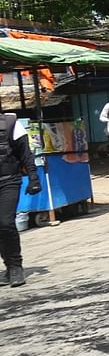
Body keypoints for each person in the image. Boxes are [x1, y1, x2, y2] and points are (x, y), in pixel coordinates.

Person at [0, 114, 41, 288]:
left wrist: (34, 178)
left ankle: (16, 266)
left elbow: (26, 153)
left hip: (8, 181)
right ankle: (8, 266)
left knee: (5, 222)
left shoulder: (10, 124)